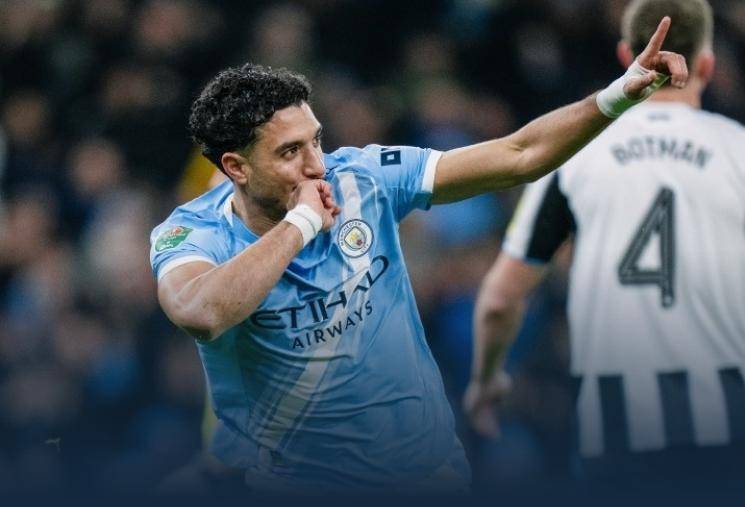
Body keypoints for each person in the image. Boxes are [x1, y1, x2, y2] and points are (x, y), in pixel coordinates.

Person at [149, 18, 686, 493]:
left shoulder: (365, 178)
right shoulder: (193, 233)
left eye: (316, 140)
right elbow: (201, 313)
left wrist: (618, 95)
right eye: (291, 152)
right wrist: (302, 224)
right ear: (236, 168)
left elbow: (520, 154)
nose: (317, 165)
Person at [464, 0, 745, 487]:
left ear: (624, 57)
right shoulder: (737, 149)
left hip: (615, 430)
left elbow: (501, 298)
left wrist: (486, 381)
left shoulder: (575, 155)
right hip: (729, 422)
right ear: (706, 64)